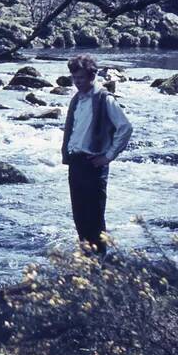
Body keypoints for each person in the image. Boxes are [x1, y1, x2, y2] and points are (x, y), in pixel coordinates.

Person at [61, 54, 133, 255]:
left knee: (95, 217)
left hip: (94, 164)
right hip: (76, 163)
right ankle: (86, 257)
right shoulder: (77, 100)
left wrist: (108, 156)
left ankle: (101, 262)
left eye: (81, 78)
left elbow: (125, 127)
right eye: (75, 79)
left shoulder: (105, 99)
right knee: (79, 216)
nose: (78, 82)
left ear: (92, 76)